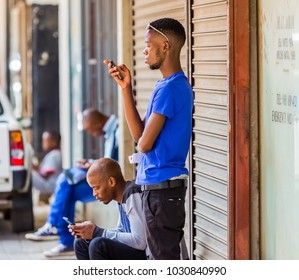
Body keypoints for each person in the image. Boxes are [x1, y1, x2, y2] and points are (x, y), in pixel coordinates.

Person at [104, 17, 194, 259]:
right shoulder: (165, 86)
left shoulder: (172, 89)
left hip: (163, 192)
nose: (144, 50)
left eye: (148, 45)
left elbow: (144, 143)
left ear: (165, 47)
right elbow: (138, 135)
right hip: (157, 190)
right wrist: (125, 89)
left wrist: (143, 144)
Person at [25, 108, 119, 257]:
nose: (91, 133)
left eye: (90, 129)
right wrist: (90, 162)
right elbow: (109, 161)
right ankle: (60, 233)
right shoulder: (110, 131)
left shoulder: (118, 131)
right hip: (105, 176)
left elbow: (115, 164)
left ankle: (59, 231)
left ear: (97, 122)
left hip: (111, 181)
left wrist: (93, 166)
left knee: (66, 186)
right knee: (66, 183)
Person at [70, 158, 147, 260]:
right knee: (81, 243)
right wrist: (89, 234)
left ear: (111, 182)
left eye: (96, 188)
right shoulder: (121, 199)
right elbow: (121, 231)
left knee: (98, 245)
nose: (94, 194)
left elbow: (140, 242)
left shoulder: (132, 194)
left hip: (145, 255)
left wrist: (98, 232)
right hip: (134, 250)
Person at [32, 131, 62, 198]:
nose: (43, 143)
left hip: (51, 184)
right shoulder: (52, 154)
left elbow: (45, 175)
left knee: (29, 175)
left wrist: (34, 167)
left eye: (45, 141)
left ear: (54, 142)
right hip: (50, 183)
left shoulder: (54, 154)